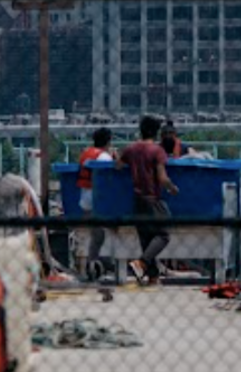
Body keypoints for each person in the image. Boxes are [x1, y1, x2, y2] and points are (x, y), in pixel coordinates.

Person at [118, 115, 179, 286]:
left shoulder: (131, 149)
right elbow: (162, 177)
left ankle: (153, 276)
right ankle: (141, 262)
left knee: (145, 237)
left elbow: (118, 165)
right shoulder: (157, 151)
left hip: (137, 199)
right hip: (153, 198)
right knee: (163, 234)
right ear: (157, 132)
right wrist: (172, 188)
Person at [76, 127, 115, 279]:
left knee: (96, 234)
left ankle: (92, 263)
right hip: (98, 202)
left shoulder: (86, 153)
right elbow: (111, 179)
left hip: (84, 201)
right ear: (108, 141)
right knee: (103, 233)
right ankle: (98, 263)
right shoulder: (104, 157)